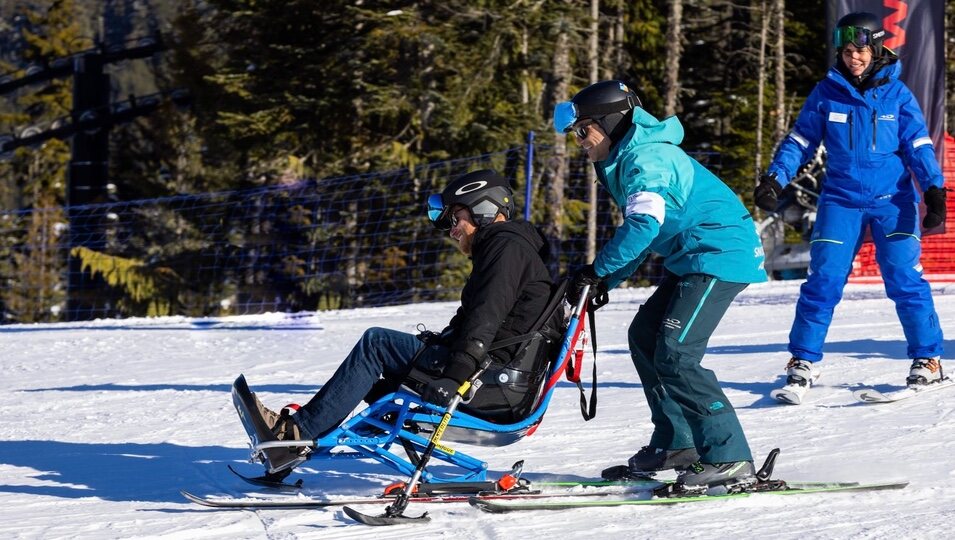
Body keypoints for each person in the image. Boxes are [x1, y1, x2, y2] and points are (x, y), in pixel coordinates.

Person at [245, 169, 557, 472]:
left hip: (490, 383)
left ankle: (295, 436)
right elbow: (482, 318)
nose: (452, 230)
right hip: (496, 379)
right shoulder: (509, 247)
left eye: (455, 218)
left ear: (484, 209)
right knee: (382, 379)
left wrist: (456, 374)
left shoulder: (505, 246)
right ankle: (298, 442)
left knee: (376, 344)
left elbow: (486, 314)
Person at [553, 80, 768, 493]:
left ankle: (729, 457)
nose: (578, 142)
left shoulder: (647, 160)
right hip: (691, 257)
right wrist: (603, 279)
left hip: (719, 255)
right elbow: (644, 234)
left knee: (677, 353)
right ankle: (677, 443)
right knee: (647, 336)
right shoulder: (626, 158)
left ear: (611, 123)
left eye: (583, 131)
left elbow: (643, 226)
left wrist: (598, 272)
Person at [754, 12, 947, 396]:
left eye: (859, 49)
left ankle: (928, 358)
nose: (852, 57)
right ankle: (803, 359)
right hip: (840, 201)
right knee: (823, 280)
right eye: (845, 51)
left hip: (893, 201)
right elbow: (801, 141)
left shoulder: (897, 94)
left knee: (905, 280)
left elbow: (918, 145)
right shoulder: (827, 92)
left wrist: (933, 189)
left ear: (875, 48)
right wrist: (776, 177)